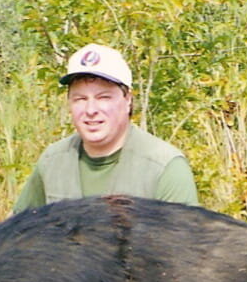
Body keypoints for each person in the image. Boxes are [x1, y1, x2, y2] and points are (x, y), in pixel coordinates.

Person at [13, 43, 199, 213]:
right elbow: (16, 233)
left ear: (127, 100)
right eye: (80, 99)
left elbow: (185, 245)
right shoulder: (52, 161)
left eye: (104, 98)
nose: (91, 110)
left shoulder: (165, 167)